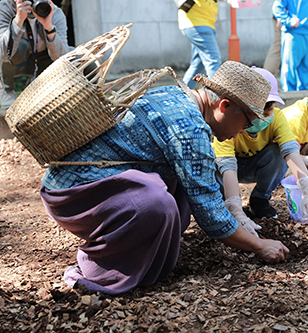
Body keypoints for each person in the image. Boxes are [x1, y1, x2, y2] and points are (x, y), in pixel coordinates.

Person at [38, 61, 294, 295]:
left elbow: (203, 187)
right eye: (247, 123)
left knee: (182, 184)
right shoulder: (190, 129)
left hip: (74, 184)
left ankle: (147, 251)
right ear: (224, 105)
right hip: (75, 194)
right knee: (157, 203)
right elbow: (212, 216)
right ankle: (102, 271)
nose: (243, 133)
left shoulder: (176, 94)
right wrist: (259, 246)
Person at [213, 67, 308, 226]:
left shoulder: (278, 119)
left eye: (268, 111)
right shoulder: (230, 121)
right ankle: (225, 203)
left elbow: (291, 151)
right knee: (211, 158)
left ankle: (259, 199)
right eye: (258, 112)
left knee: (279, 151)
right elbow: (227, 165)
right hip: (228, 172)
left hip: (258, 166)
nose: (263, 118)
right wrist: (235, 206)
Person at [0, 0, 72, 109]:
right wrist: (18, 20)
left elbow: (62, 59)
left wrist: (49, 28)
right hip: (16, 60)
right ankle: (7, 89)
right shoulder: (5, 8)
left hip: (44, 60)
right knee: (14, 46)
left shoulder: (54, 12)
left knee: (77, 56)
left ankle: (36, 86)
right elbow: (3, 54)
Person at [272, 0, 308, 92]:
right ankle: (289, 92)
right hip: (293, 32)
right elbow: (277, 7)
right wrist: (287, 20)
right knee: (290, 65)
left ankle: (303, 90)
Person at [178, 0, 221, 89]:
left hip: (202, 23)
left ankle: (183, 93)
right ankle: (217, 95)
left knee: (198, 64)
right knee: (213, 61)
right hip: (198, 23)